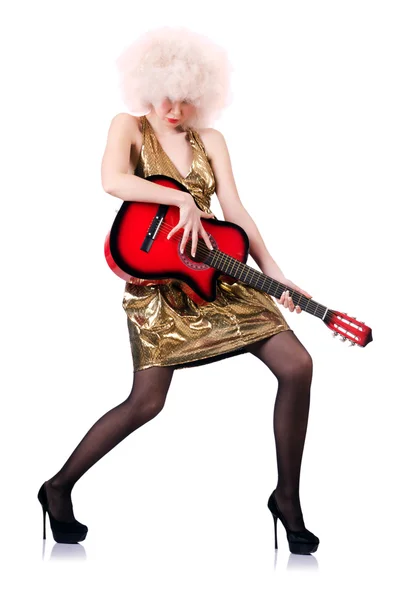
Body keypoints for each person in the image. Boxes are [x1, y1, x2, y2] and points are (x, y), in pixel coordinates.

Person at [38, 26, 319, 554]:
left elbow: (234, 211)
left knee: (298, 365)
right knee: (146, 403)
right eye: (168, 93)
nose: (176, 107)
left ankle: (287, 499)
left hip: (220, 274)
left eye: (189, 96)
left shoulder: (210, 140)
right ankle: (56, 487)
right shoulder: (128, 125)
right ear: (148, 84)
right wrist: (182, 202)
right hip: (162, 288)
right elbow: (112, 180)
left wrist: (274, 270)